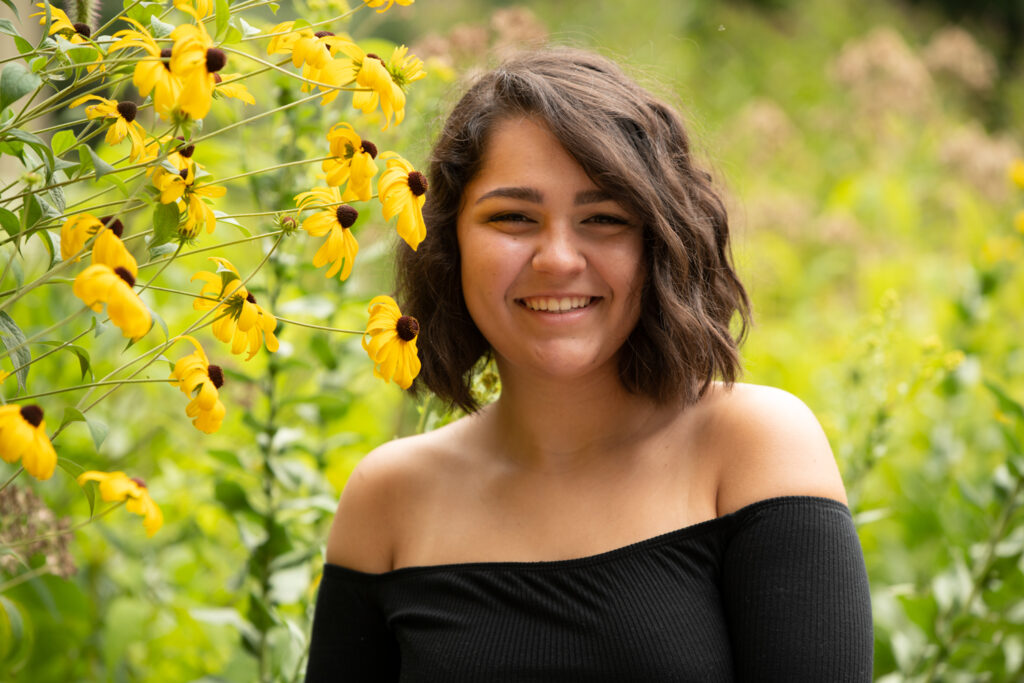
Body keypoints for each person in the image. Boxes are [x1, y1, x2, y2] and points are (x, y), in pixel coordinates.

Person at [305, 47, 873, 682]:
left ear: (661, 243)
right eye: (513, 218)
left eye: (603, 218)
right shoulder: (390, 497)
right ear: (447, 240)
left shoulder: (751, 448)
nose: (557, 259)